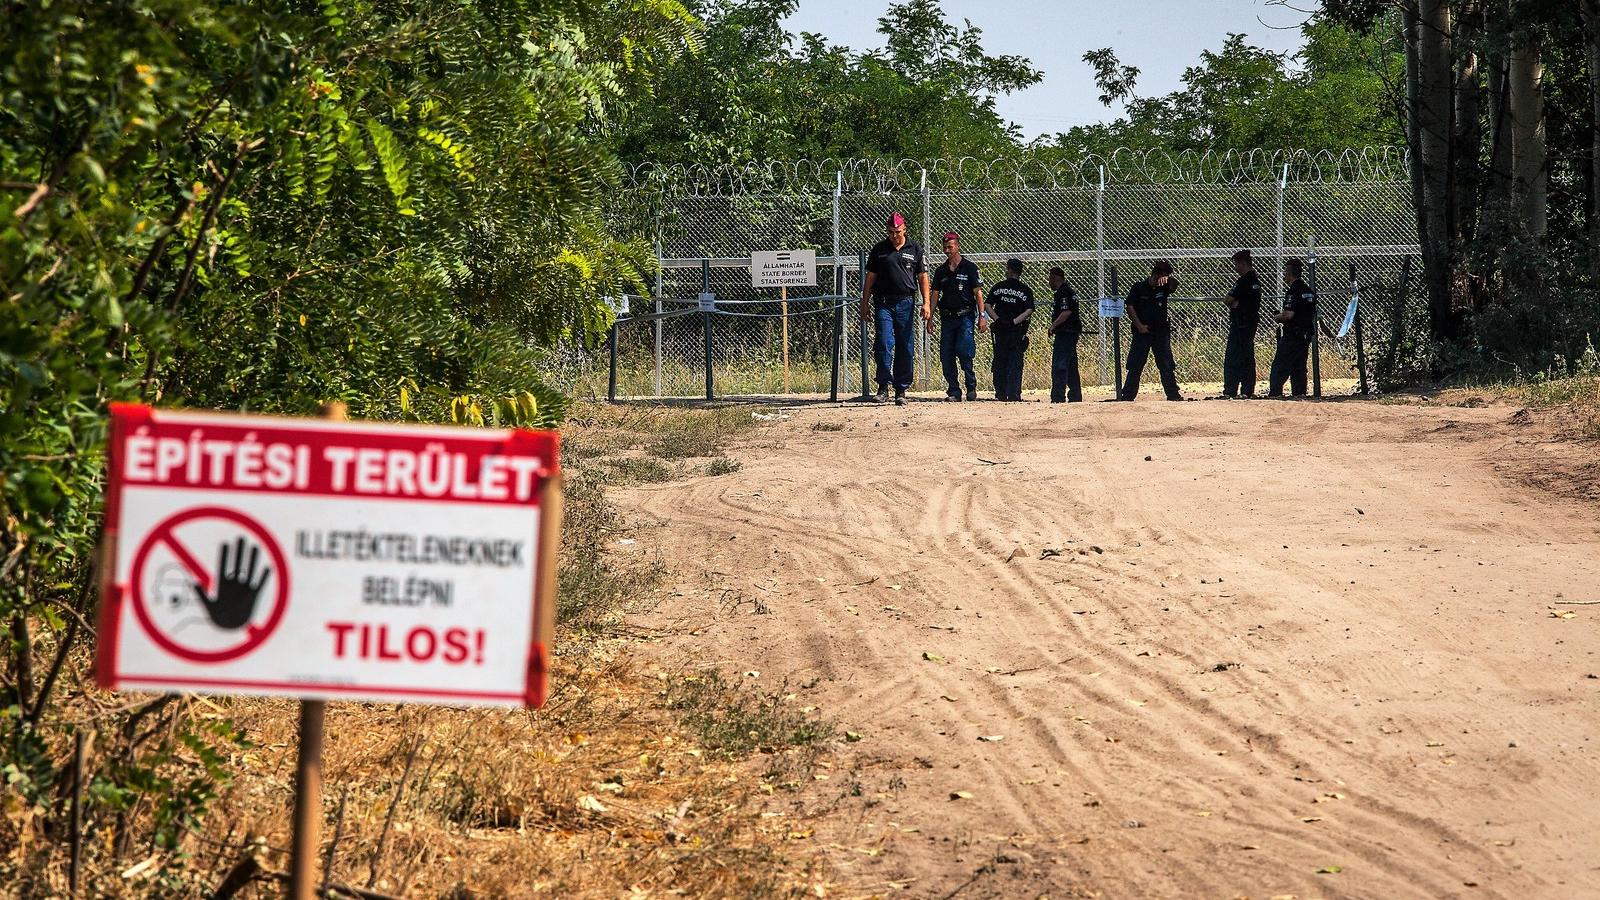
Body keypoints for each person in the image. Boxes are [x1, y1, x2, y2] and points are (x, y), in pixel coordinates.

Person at [860, 212, 931, 406]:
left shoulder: (915, 248)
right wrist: (864, 304)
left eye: (898, 232)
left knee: (905, 346)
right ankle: (883, 386)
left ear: (904, 229)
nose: (894, 236)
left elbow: (923, 277)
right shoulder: (879, 249)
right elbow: (870, 279)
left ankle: (901, 389)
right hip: (883, 302)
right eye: (891, 232)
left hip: (906, 303)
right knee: (883, 342)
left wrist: (926, 303)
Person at [928, 232, 986, 401]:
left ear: (958, 247)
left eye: (950, 247)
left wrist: (982, 316)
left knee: (965, 351)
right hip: (947, 318)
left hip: (965, 317)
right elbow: (935, 295)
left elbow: (978, 294)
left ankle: (971, 386)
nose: (947, 250)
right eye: (945, 247)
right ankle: (954, 390)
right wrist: (930, 317)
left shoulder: (970, 268)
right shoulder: (941, 271)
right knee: (946, 355)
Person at [1118, 260, 1182, 401]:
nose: (1162, 280)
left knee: (1166, 364)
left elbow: (1175, 285)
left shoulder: (1164, 288)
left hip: (1160, 332)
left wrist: (1169, 279)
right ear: (1154, 274)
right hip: (1142, 332)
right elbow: (1130, 306)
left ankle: (1173, 394)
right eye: (1161, 276)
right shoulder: (1139, 288)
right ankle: (1128, 395)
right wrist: (1139, 325)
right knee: (1136, 364)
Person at [986, 258, 1035, 401]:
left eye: (1007, 268)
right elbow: (1029, 310)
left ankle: (1001, 393)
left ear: (1011, 270)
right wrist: (1014, 322)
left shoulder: (998, 287)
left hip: (1001, 330)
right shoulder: (1025, 290)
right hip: (1015, 330)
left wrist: (998, 319)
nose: (1006, 270)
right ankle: (1013, 394)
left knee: (1000, 361)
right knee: (1015, 362)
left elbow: (988, 305)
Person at [1268, 258, 1316, 398]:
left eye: (1285, 272)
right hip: (1305, 335)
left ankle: (1275, 394)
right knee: (1299, 367)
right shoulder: (1309, 292)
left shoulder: (1293, 292)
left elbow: (1288, 315)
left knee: (1280, 366)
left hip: (1292, 335)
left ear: (1289, 273)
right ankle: (1299, 393)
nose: (1284, 275)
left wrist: (1278, 317)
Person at [1220, 249, 1263, 399]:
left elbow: (1227, 300)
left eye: (1237, 265)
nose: (1235, 268)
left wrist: (1236, 303)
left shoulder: (1244, 281)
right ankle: (1247, 389)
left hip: (1240, 324)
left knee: (1233, 357)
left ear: (1243, 264)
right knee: (1247, 357)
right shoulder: (1255, 281)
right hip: (1250, 323)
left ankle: (1230, 390)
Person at [1046, 267, 1083, 403]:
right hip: (1070, 333)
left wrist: (1053, 326)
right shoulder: (1066, 292)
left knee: (1059, 365)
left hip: (1066, 333)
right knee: (1071, 365)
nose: (1049, 282)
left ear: (1055, 278)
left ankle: (1058, 396)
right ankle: (1075, 395)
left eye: (1050, 279)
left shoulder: (1064, 292)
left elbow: (1066, 312)